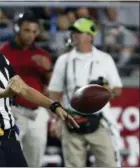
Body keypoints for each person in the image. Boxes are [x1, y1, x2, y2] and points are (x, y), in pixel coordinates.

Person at [0, 14, 79, 167]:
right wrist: (7, 92)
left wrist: (53, 106)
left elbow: (25, 89)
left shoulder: (0, 58)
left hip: (9, 135)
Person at [48, 17, 123, 167]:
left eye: (79, 32)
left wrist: (107, 92)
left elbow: (118, 89)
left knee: (109, 163)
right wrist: (55, 120)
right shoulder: (64, 60)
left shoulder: (104, 58)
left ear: (90, 35)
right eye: (73, 32)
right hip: (71, 120)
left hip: (99, 120)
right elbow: (54, 93)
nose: (74, 35)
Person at [0, 11, 52, 167]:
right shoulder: (3, 52)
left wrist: (48, 70)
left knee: (35, 162)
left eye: (34, 32)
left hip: (37, 114)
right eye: (27, 30)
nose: (30, 35)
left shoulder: (43, 55)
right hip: (13, 111)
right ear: (17, 29)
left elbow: (52, 87)